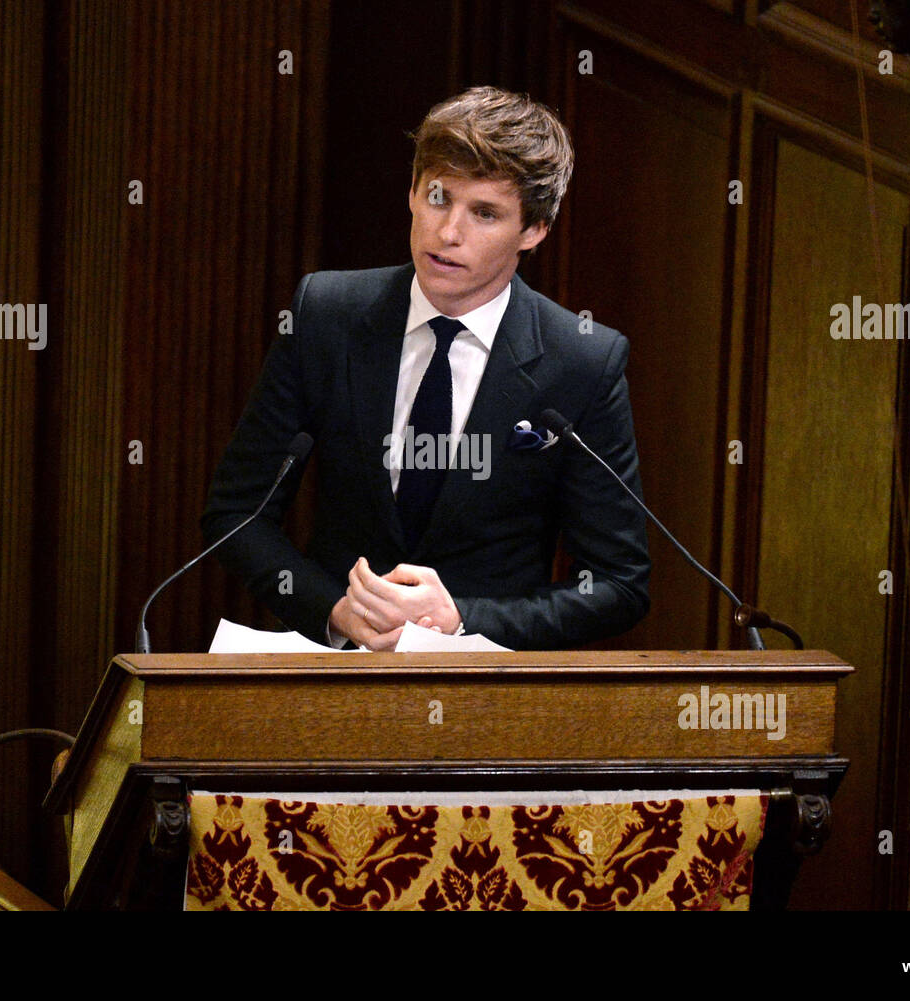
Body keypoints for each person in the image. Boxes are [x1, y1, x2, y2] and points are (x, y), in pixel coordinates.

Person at [201, 86, 650, 650]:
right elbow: (237, 514)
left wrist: (462, 618)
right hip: (330, 685)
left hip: (484, 704)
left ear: (533, 231)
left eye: (484, 213)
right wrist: (334, 610)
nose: (448, 233)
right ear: (412, 191)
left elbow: (618, 585)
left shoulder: (582, 361)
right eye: (439, 198)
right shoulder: (326, 315)